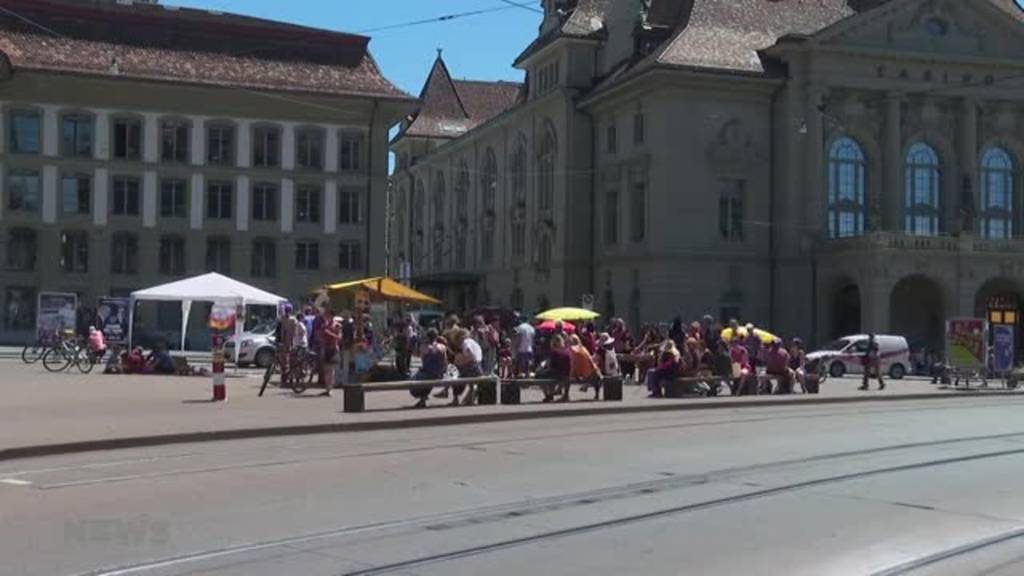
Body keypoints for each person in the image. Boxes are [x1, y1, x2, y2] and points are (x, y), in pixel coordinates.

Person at [410, 329, 447, 408]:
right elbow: (445, 362)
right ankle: (423, 399)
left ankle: (422, 399)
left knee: (414, 379)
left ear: (427, 337)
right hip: (439, 374)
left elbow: (417, 355)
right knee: (423, 375)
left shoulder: (425, 347)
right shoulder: (442, 347)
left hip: (428, 374)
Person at [452, 328, 483, 406]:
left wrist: (463, 363)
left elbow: (469, 352)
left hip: (472, 366)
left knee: (455, 378)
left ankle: (456, 399)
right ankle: (470, 399)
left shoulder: (466, 342)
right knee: (470, 382)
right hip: (478, 367)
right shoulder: (473, 342)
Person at [570, 334, 603, 400]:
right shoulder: (583, 348)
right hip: (595, 372)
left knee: (564, 375)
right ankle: (597, 394)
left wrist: (574, 375)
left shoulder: (573, 350)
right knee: (595, 374)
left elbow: (574, 365)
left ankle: (565, 394)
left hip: (585, 375)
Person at [319, 309, 340, 397]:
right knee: (326, 369)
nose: (326, 317)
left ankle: (330, 389)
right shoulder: (325, 325)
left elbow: (339, 337)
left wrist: (329, 333)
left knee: (331, 369)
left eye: (328, 315)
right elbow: (321, 335)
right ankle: (327, 388)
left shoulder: (336, 325)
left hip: (333, 348)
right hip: (325, 348)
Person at [546, 334, 573, 402]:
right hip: (567, 373)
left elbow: (550, 366)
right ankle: (566, 395)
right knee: (565, 377)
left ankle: (549, 395)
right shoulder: (567, 350)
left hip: (559, 374)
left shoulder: (554, 351)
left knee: (541, 375)